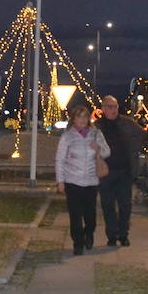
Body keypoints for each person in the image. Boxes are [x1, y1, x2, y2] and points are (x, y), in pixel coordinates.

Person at [55, 99, 109, 256]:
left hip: (91, 181)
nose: (82, 120)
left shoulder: (96, 134)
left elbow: (107, 152)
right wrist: (60, 181)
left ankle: (89, 233)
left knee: (90, 215)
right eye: (79, 116)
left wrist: (99, 149)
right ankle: (78, 243)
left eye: (85, 116)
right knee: (75, 215)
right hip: (72, 181)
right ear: (73, 119)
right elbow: (59, 159)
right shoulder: (67, 136)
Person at [96, 94, 143, 247]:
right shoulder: (97, 126)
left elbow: (141, 134)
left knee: (125, 205)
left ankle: (123, 235)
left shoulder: (127, 123)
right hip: (105, 172)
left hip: (124, 170)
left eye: (115, 106)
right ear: (103, 108)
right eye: (109, 107)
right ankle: (111, 235)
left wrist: (133, 149)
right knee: (107, 205)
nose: (113, 110)